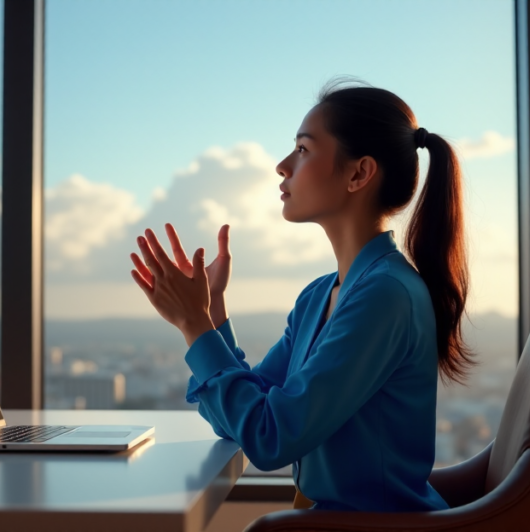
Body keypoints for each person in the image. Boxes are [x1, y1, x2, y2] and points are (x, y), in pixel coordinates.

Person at [128, 82, 471, 513]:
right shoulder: (319, 296)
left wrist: (194, 327)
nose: (281, 166)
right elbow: (241, 422)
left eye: (304, 149)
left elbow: (272, 440)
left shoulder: (386, 296)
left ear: (359, 173)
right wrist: (211, 315)